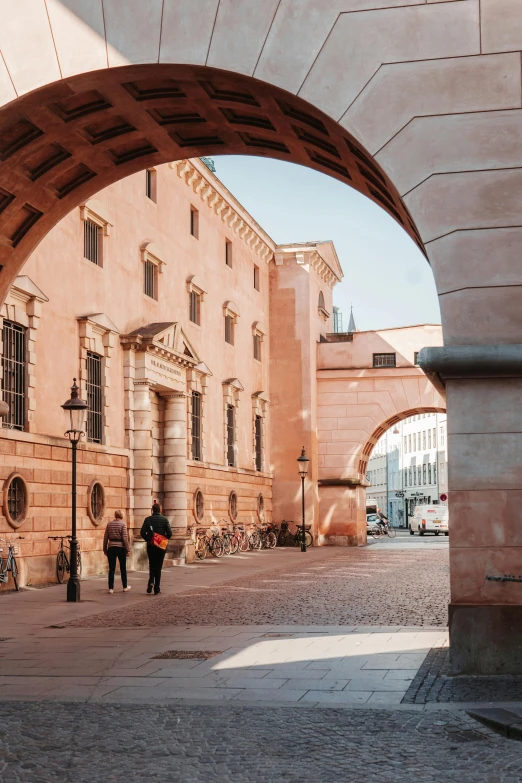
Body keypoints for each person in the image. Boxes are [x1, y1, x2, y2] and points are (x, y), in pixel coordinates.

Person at [140, 503, 172, 595]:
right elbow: (170, 533)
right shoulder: (164, 519)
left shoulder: (148, 519)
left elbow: (142, 532)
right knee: (158, 567)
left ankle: (151, 582)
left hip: (151, 546)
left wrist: (148, 539)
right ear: (160, 510)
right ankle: (157, 588)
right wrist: (163, 538)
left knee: (152, 565)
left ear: (152, 510)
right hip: (161, 546)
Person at [103, 510, 131, 594]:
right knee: (123, 568)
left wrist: (105, 549)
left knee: (111, 568)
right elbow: (125, 538)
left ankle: (111, 588)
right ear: (121, 516)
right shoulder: (123, 524)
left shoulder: (109, 524)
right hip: (120, 547)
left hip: (111, 547)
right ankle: (125, 586)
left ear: (115, 515)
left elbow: (105, 538)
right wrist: (127, 549)